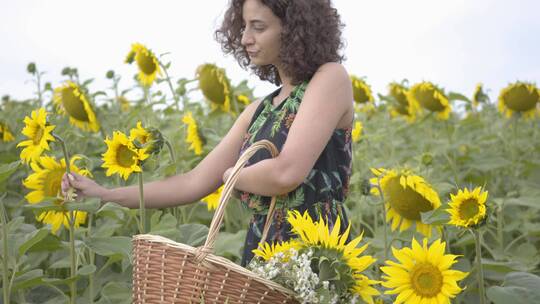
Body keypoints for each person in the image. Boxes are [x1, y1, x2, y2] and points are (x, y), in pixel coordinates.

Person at [62, 0, 354, 266]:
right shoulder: (259, 110)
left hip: (317, 255)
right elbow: (192, 183)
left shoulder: (330, 78)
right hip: (263, 254)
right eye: (243, 27)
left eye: (258, 27)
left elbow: (285, 174)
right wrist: (105, 195)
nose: (244, 39)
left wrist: (230, 177)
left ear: (293, 29)